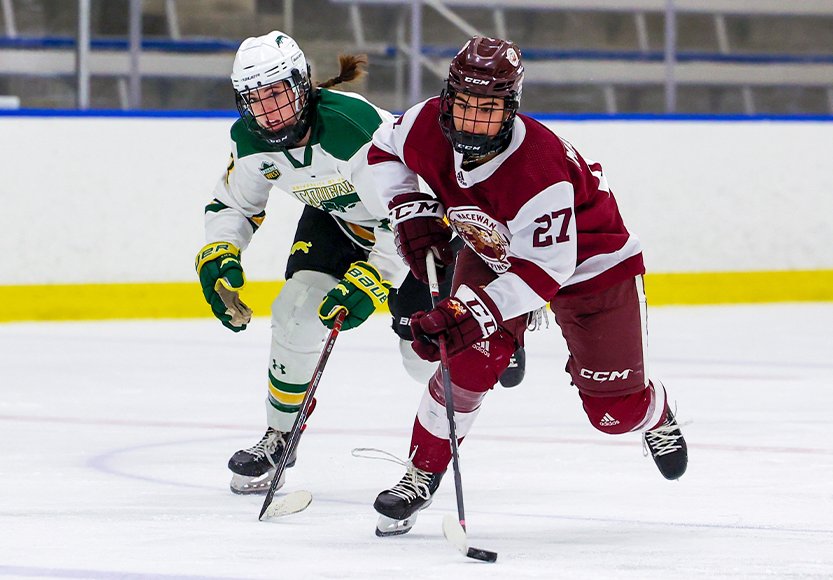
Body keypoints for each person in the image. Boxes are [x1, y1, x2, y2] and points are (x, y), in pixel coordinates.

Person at [364, 35, 688, 536]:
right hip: (492, 248)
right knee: (465, 363)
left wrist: (467, 314)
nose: (471, 120)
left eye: (488, 109)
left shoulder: (538, 168)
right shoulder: (425, 123)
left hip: (589, 269)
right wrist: (412, 211)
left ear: (511, 107)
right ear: (448, 97)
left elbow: (542, 272)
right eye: (464, 104)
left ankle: (654, 410)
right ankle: (420, 473)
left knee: (613, 416)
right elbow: (383, 150)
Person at [195, 32, 525, 495]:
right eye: (256, 99)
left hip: (419, 230)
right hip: (339, 220)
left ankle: (497, 339)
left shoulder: (351, 129)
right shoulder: (249, 141)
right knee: (294, 312)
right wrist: (220, 255)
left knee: (422, 358)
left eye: (278, 94)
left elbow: (406, 209)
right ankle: (279, 438)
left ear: (302, 86)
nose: (270, 112)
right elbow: (233, 203)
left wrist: (372, 277)